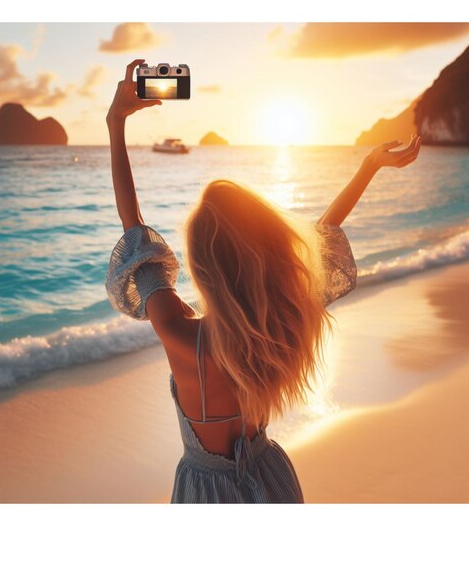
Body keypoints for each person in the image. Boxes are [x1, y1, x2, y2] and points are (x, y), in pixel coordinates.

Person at [105, 60, 422, 503]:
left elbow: (133, 227)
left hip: (206, 494)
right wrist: (368, 166)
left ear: (201, 266)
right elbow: (321, 243)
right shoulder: (279, 323)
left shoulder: (181, 335)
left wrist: (115, 121)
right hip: (270, 477)